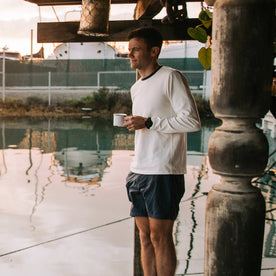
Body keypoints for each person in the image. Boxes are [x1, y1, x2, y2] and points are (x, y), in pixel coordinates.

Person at [123, 27, 201, 276]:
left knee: (160, 237)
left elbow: (192, 122)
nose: (130, 55)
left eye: (136, 50)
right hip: (138, 170)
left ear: (154, 51)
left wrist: (149, 122)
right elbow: (148, 122)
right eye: (129, 50)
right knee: (145, 237)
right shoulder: (136, 87)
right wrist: (138, 123)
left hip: (163, 171)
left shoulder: (171, 77)